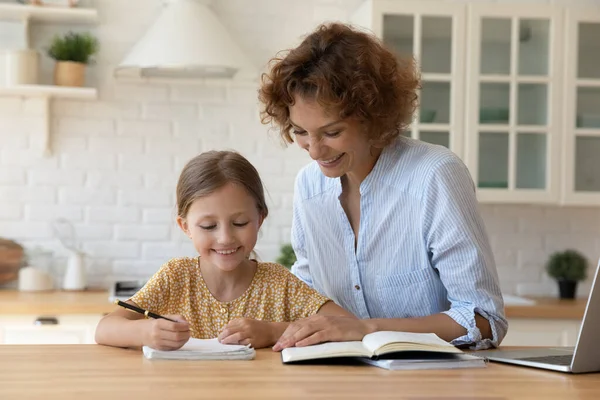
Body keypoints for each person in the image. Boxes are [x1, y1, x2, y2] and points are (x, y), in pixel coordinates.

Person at [258, 22, 507, 352]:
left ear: (372, 116)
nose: (315, 151)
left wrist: (365, 329)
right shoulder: (309, 186)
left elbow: (484, 319)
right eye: (300, 131)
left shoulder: (434, 176)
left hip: (433, 382)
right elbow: (309, 297)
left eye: (332, 133)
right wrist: (271, 329)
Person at [95, 150, 353, 351]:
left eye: (240, 223)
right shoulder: (176, 276)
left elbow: (348, 326)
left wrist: (274, 332)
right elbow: (105, 328)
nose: (225, 238)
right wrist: (147, 332)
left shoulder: (278, 283)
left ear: (260, 218)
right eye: (208, 226)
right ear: (185, 227)